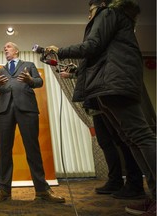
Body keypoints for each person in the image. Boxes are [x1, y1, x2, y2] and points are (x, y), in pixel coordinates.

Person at [45, 0, 156, 215]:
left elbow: (91, 46)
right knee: (131, 139)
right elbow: (96, 56)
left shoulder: (108, 13)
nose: (89, 17)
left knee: (141, 137)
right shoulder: (116, 19)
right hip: (107, 85)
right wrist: (76, 73)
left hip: (114, 83)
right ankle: (154, 197)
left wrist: (61, 50)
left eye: (90, 12)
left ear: (102, 4)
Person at [0, 41, 65, 205]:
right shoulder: (0, 70)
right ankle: (3, 191)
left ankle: (42, 191)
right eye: (4, 47)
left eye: (8, 46)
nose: (5, 49)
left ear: (16, 51)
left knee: (33, 149)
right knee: (4, 151)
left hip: (27, 109)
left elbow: (39, 82)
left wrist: (30, 80)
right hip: (4, 111)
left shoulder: (29, 65)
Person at [61, 64, 146, 200]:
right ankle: (115, 181)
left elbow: (98, 73)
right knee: (105, 144)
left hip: (108, 101)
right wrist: (73, 73)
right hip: (96, 106)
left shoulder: (103, 55)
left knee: (124, 142)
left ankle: (135, 184)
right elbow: (90, 75)